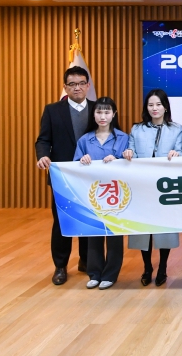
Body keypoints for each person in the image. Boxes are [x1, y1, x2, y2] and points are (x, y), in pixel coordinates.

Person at [35, 66, 94, 285]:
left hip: (91, 176)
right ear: (65, 87)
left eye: (81, 83)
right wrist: (43, 155)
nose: (77, 88)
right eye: (72, 84)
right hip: (63, 176)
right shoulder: (52, 110)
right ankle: (60, 266)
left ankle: (87, 261)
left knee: (89, 220)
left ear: (88, 85)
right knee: (62, 222)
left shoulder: (98, 108)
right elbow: (43, 139)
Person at [123, 89, 182, 287]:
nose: (154, 108)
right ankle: (147, 267)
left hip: (165, 187)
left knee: (164, 228)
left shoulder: (176, 129)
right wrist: (128, 152)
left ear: (165, 107)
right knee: (144, 229)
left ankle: (163, 267)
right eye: (150, 105)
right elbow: (130, 150)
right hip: (142, 187)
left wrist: (177, 154)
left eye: (158, 104)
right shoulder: (137, 129)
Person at [73, 97, 129, 290]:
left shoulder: (123, 138)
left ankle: (110, 274)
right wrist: (82, 160)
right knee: (94, 234)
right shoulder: (84, 140)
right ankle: (94, 273)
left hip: (116, 194)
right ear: (93, 115)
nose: (102, 116)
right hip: (93, 194)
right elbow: (75, 166)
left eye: (107, 112)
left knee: (114, 235)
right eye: (99, 112)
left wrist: (119, 159)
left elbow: (130, 163)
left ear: (114, 114)